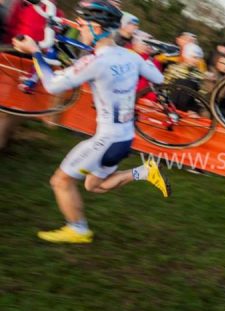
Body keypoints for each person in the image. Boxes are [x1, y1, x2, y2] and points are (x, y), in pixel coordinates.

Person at [12, 0, 169, 244]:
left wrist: (34, 52)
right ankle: (144, 172)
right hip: (125, 138)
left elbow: (52, 84)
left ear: (97, 28)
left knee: (60, 181)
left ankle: (78, 229)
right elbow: (158, 77)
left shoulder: (95, 61)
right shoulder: (131, 56)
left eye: (83, 26)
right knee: (94, 185)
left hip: (106, 140)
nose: (80, 30)